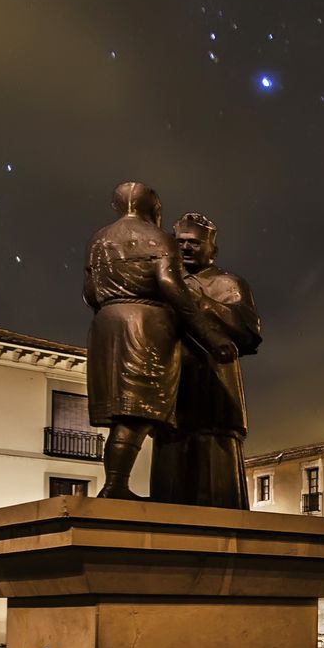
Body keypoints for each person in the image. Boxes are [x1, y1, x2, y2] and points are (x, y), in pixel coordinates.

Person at [82, 182, 233, 498]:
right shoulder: (158, 237)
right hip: (144, 324)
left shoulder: (97, 239)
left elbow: (90, 292)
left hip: (105, 325)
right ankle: (116, 486)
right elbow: (171, 286)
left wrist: (113, 303)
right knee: (137, 409)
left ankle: (115, 482)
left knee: (122, 412)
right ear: (153, 207)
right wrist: (210, 335)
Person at [151, 213, 262, 507]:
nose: (186, 248)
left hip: (216, 386)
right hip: (173, 386)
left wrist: (196, 301)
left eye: (194, 243)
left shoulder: (229, 283)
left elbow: (248, 329)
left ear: (211, 249)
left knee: (217, 467)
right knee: (170, 464)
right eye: (180, 242)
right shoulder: (160, 284)